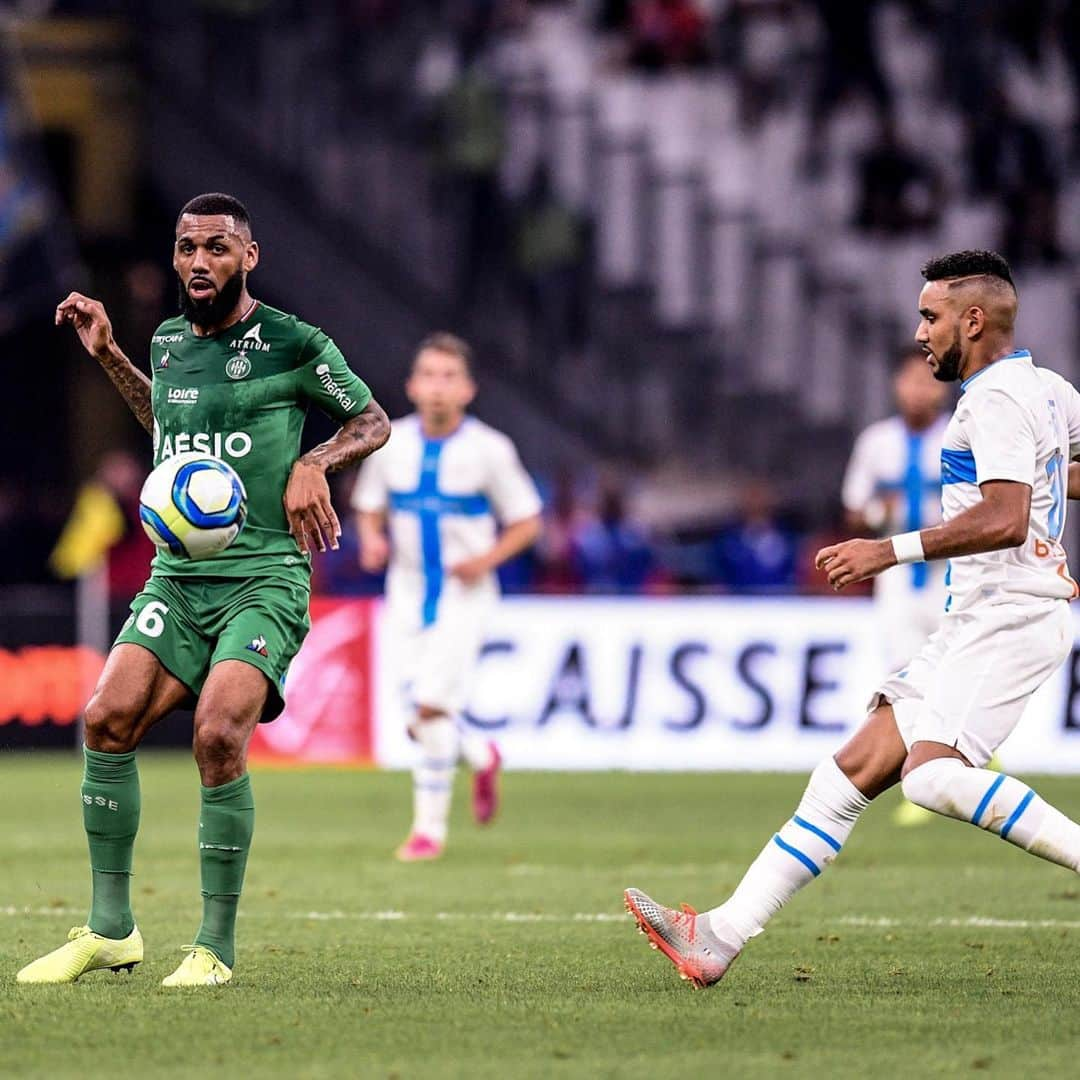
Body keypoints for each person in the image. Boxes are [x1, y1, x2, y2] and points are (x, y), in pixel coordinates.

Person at [625, 250, 1080, 988]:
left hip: (1011, 618)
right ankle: (718, 937)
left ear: (973, 318)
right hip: (978, 618)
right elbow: (1056, 474)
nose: (920, 331)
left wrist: (888, 550)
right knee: (847, 775)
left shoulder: (993, 399)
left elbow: (1003, 516)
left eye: (930, 316)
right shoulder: (1048, 389)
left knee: (933, 782)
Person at [17, 193, 390, 988]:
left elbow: (371, 421)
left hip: (263, 576)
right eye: (188, 247)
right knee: (105, 719)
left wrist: (313, 462)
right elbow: (169, 431)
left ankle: (214, 949)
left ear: (248, 256)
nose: (198, 262)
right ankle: (112, 931)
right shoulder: (167, 343)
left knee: (218, 734)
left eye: (217, 248)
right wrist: (112, 353)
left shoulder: (293, 341)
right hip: (178, 575)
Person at [352, 333, 542, 861]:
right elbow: (370, 503)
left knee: (430, 710)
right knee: (418, 714)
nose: (437, 388)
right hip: (407, 591)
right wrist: (371, 537)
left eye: (448, 377)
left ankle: (427, 832)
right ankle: (480, 754)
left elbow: (526, 521)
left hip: (465, 595)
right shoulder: (390, 443)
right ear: (412, 386)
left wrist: (485, 560)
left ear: (468, 389)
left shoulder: (490, 450)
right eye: (428, 376)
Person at [842, 349, 950, 672]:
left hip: (952, 569)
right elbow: (853, 510)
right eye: (911, 380)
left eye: (927, 381)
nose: (918, 390)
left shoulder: (960, 438)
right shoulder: (876, 441)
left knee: (954, 672)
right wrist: (881, 512)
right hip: (897, 572)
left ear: (942, 387)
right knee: (903, 675)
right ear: (896, 384)